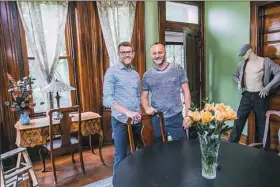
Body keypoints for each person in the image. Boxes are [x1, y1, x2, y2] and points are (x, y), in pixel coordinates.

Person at [103, 42, 142, 174]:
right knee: (121, 156)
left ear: (133, 53)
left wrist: (140, 113)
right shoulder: (112, 72)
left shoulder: (135, 74)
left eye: (129, 52)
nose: (127, 54)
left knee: (133, 153)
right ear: (119, 55)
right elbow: (107, 99)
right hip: (120, 121)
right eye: (123, 52)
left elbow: (137, 96)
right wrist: (127, 112)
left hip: (136, 121)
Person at [228, 44, 280, 145]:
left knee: (263, 125)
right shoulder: (242, 63)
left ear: (249, 51)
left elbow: (279, 73)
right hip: (246, 95)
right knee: (238, 121)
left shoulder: (265, 61)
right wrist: (238, 81)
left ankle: (265, 152)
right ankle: (231, 146)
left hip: (260, 96)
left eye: (243, 54)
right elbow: (235, 75)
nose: (242, 56)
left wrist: (267, 87)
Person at [141, 42, 191, 142]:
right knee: (159, 151)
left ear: (165, 53)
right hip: (157, 118)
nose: (157, 55)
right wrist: (147, 108)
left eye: (160, 52)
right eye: (154, 53)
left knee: (182, 149)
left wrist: (188, 115)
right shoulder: (147, 75)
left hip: (176, 117)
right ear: (151, 55)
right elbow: (144, 96)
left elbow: (186, 91)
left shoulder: (177, 69)